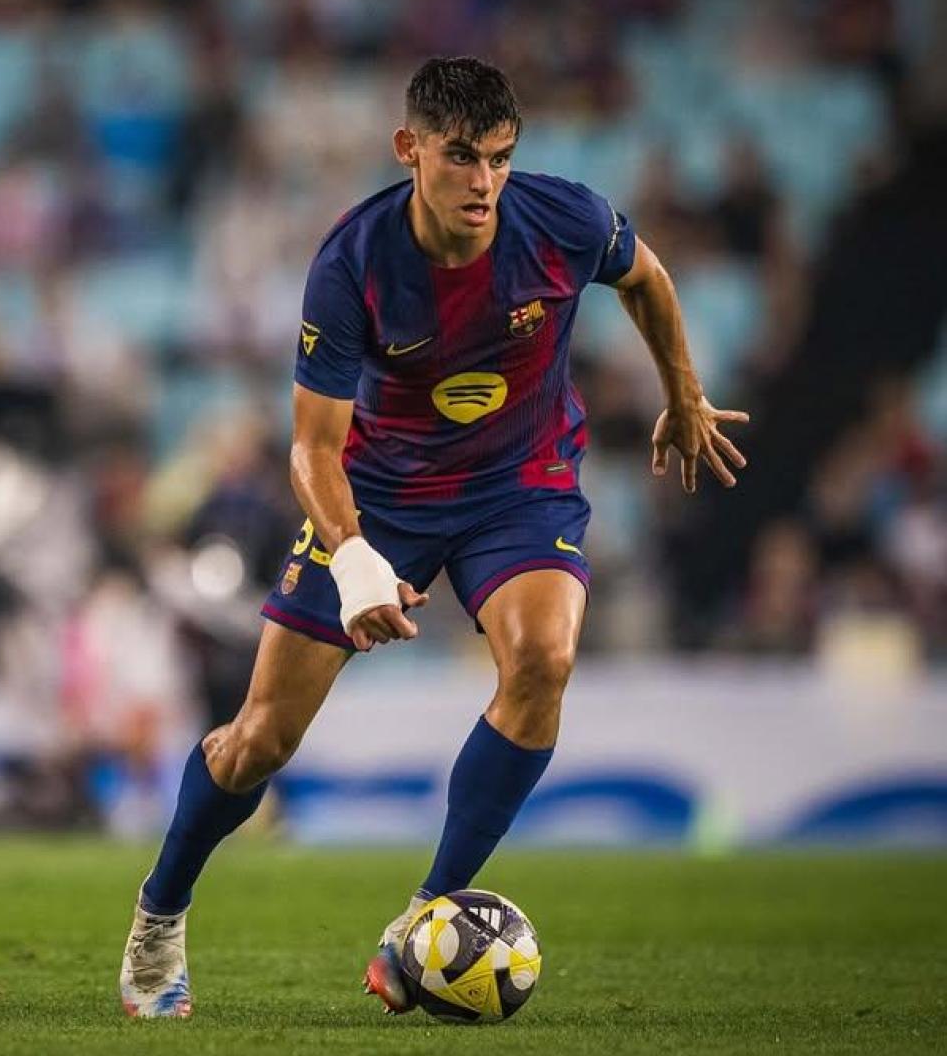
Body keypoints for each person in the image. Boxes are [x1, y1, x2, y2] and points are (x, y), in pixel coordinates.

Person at [118, 56, 747, 1018]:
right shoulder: (354, 262)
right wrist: (358, 556)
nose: (484, 182)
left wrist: (684, 394)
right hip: (380, 500)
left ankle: (420, 922)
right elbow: (311, 450)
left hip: (519, 489)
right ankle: (162, 910)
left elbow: (648, 279)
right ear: (410, 149)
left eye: (500, 158)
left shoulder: (563, 220)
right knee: (259, 743)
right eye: (462, 158)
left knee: (545, 660)